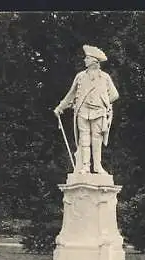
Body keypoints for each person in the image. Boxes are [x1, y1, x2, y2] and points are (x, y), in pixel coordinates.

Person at [54, 45, 119, 174]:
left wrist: (104, 102)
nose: (85, 60)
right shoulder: (80, 76)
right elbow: (71, 94)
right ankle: (85, 166)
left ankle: (97, 166)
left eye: (87, 58)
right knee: (84, 139)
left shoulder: (104, 77)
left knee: (96, 140)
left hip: (98, 112)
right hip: (82, 110)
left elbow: (114, 94)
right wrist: (60, 107)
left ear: (94, 61)